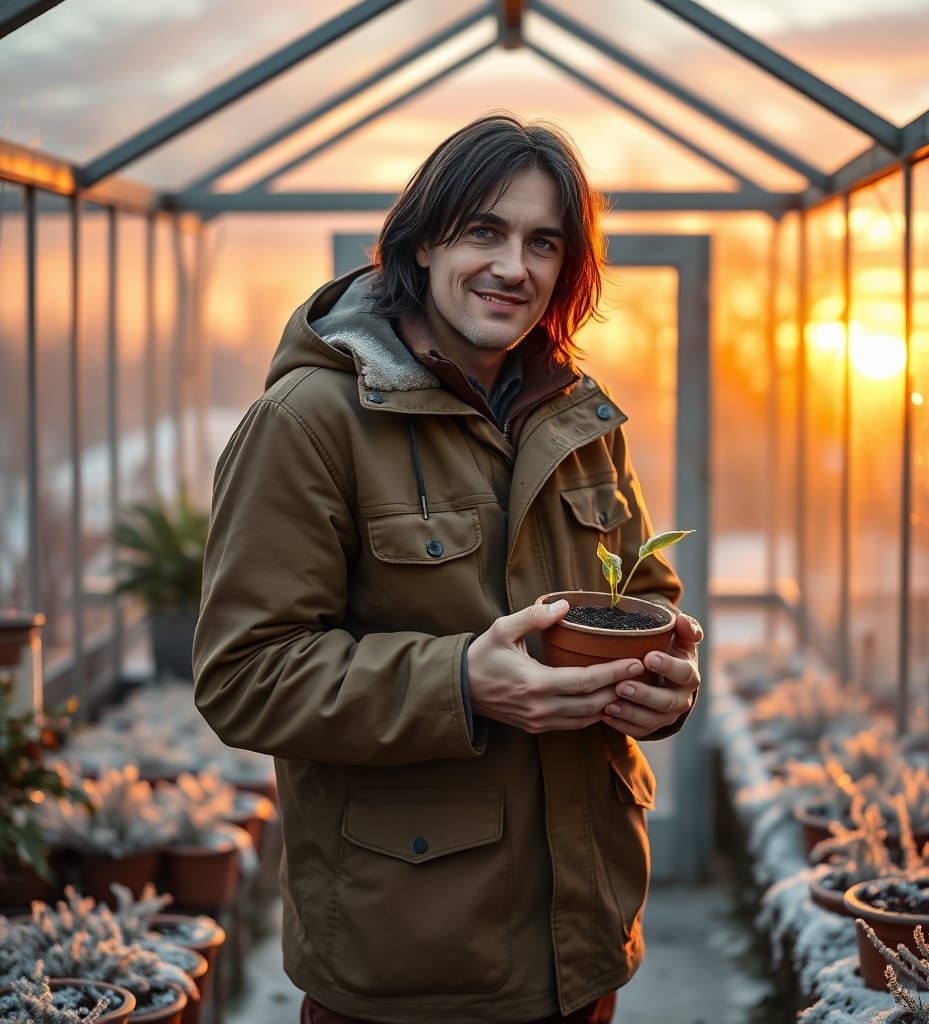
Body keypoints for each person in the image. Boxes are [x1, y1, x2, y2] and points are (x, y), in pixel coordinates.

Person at [193, 112, 702, 1024]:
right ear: (423, 242)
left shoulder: (579, 419)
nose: (514, 266)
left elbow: (644, 601)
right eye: (484, 231)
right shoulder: (310, 422)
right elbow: (244, 675)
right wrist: (462, 682)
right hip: (410, 967)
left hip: (584, 953)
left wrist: (665, 688)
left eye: (543, 242)